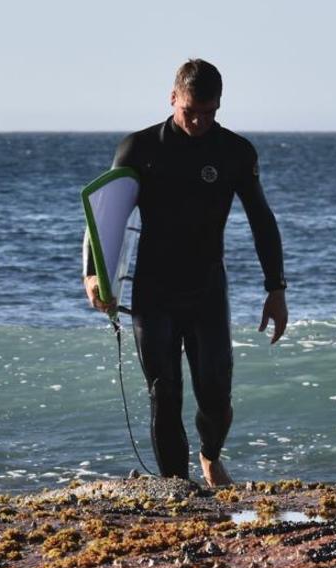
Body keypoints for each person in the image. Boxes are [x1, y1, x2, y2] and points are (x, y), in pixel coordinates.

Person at [83, 58, 287, 487]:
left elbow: (262, 220)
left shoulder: (234, 152)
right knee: (165, 392)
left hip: (208, 289)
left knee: (215, 395)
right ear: (172, 97)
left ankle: (210, 455)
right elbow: (105, 216)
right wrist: (95, 273)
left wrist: (276, 289)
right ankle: (178, 488)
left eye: (209, 113)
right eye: (189, 111)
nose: (198, 121)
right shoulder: (138, 148)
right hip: (154, 290)